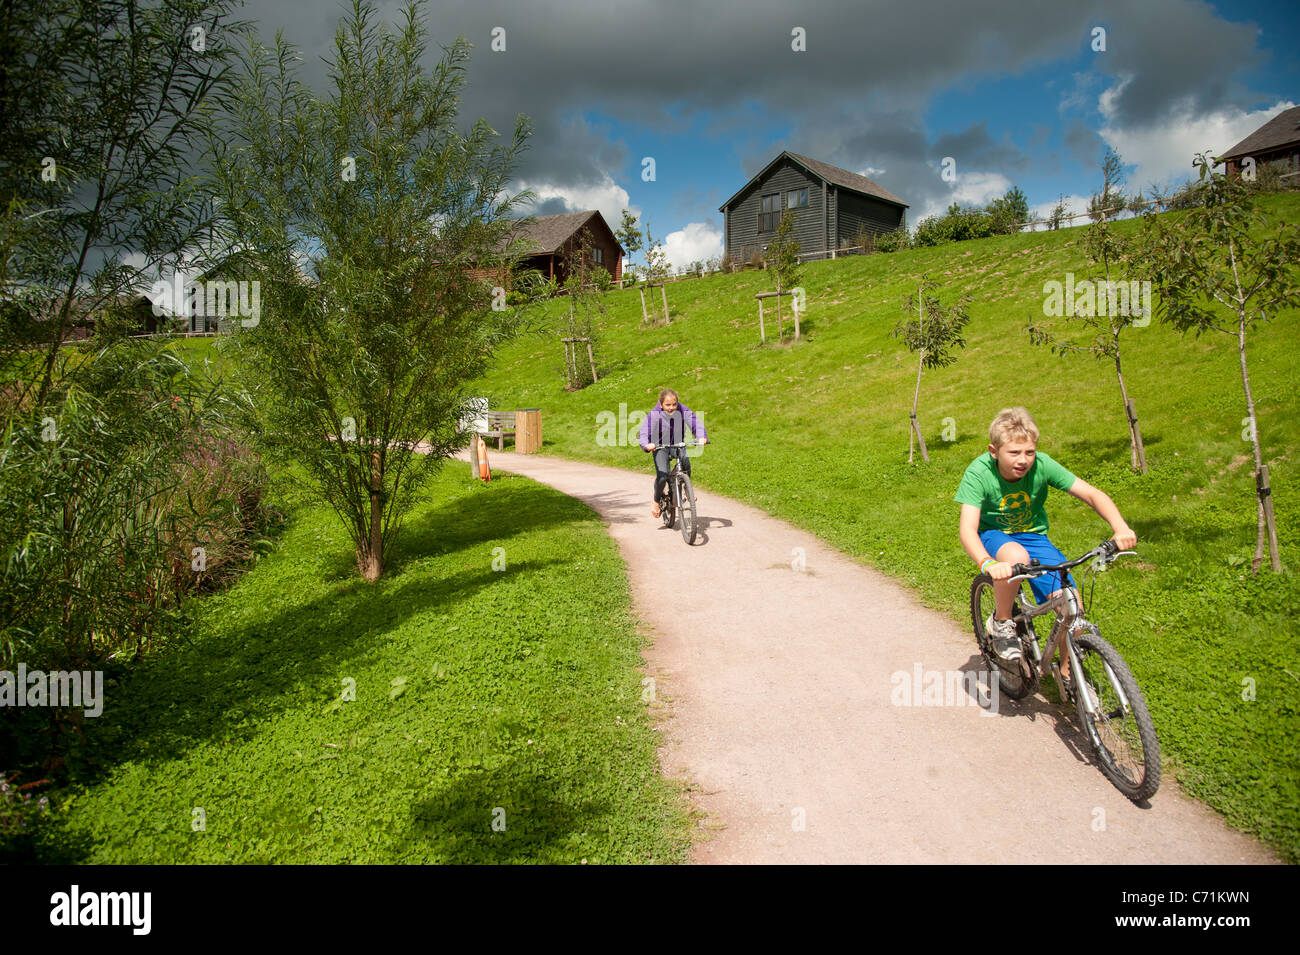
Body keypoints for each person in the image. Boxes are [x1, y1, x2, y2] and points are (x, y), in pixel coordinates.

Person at [954, 407, 1137, 679]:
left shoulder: (1043, 465)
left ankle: (1069, 675)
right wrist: (987, 562)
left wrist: (1119, 526)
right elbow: (967, 529)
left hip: (1034, 536)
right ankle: (1002, 622)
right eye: (1014, 453)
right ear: (994, 451)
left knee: (1070, 605)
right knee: (1016, 557)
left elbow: (1091, 494)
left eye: (1029, 452)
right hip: (993, 533)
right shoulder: (979, 472)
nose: (1023, 460)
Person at [638, 388, 708, 518]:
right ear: (661, 405)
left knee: (685, 460)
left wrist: (701, 436)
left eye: (674, 404)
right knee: (663, 475)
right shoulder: (654, 414)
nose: (671, 408)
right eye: (667, 405)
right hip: (659, 446)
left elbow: (695, 423)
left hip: (676, 443)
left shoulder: (682, 409)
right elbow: (644, 432)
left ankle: (687, 488)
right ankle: (656, 500)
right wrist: (646, 444)